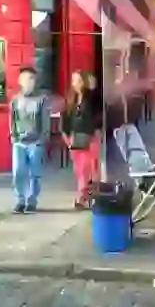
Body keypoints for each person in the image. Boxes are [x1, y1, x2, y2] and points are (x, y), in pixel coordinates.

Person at [9, 67, 50, 214]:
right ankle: (20, 200)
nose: (30, 82)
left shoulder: (41, 99)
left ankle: (32, 201)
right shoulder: (15, 100)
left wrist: (42, 139)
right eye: (27, 78)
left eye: (33, 79)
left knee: (35, 174)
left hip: (35, 142)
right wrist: (12, 135)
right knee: (18, 172)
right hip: (19, 142)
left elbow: (45, 121)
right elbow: (12, 119)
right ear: (20, 81)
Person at [61, 71, 101, 209]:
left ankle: (85, 197)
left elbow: (97, 115)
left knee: (90, 168)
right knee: (80, 170)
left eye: (79, 80)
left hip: (90, 137)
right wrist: (66, 136)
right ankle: (84, 196)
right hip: (75, 137)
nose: (76, 84)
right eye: (73, 81)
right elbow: (65, 117)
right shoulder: (70, 98)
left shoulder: (92, 98)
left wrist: (93, 88)